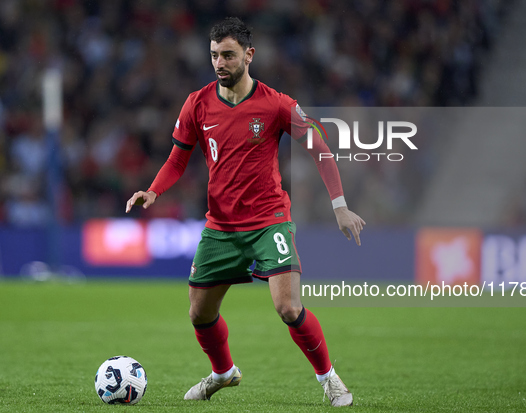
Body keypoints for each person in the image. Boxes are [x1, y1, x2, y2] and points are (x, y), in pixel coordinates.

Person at [126, 17, 365, 407]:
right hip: (220, 226)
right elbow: (176, 160)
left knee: (288, 307)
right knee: (199, 314)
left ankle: (330, 379)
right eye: (214, 55)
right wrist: (153, 191)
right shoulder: (197, 104)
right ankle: (223, 372)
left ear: (249, 55)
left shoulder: (276, 104)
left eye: (228, 55)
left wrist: (340, 206)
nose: (219, 63)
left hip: (268, 221)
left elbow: (320, 148)